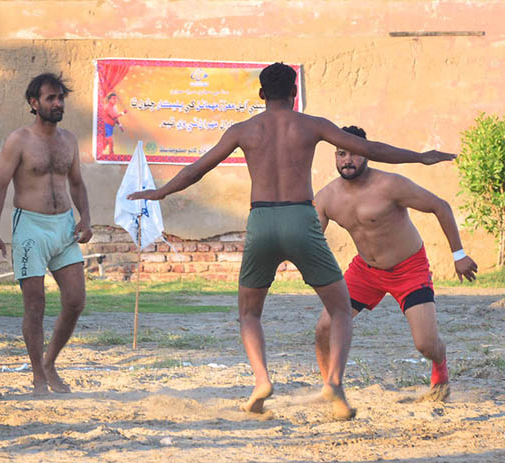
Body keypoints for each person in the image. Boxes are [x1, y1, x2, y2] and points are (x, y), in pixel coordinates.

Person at [128, 62, 455, 420]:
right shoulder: (311, 125)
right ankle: (334, 384)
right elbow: (371, 149)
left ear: (261, 94)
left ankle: (261, 381)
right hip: (301, 217)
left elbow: (198, 168)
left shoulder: (242, 130)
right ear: (295, 93)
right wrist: (420, 157)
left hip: (262, 220)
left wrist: (160, 192)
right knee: (341, 309)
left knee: (249, 313)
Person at [314, 125, 477, 402]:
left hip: (408, 269)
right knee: (324, 328)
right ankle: (331, 387)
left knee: (425, 344)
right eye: (341, 154)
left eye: (354, 154)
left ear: (367, 155)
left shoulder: (390, 186)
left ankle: (440, 366)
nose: (347, 161)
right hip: (364, 272)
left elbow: (440, 206)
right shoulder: (327, 197)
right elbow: (311, 237)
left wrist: (458, 255)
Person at [0, 72, 92, 396]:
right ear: (34, 103)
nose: (58, 103)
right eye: (51, 98)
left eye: (61, 98)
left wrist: (86, 217)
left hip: (63, 226)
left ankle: (50, 363)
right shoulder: (18, 140)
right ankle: (38, 377)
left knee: (75, 300)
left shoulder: (69, 140)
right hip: (30, 227)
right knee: (35, 304)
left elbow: (76, 183)